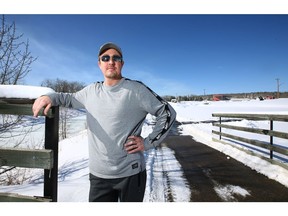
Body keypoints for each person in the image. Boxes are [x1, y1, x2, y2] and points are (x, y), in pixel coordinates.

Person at [32, 42, 176, 202]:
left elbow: (167, 112)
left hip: (131, 173)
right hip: (99, 176)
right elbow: (68, 98)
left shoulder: (136, 90)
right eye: (105, 58)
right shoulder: (90, 91)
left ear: (122, 63)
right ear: (99, 64)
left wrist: (148, 142)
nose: (111, 61)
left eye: (116, 58)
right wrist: (49, 97)